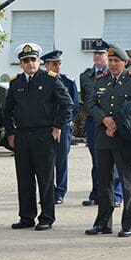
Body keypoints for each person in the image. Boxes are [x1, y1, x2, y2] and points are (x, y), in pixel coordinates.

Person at [2, 43, 74, 231]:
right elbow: (6, 111)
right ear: (20, 64)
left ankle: (47, 217)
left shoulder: (50, 79)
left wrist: (58, 126)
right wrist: (10, 132)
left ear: (39, 61)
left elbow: (68, 105)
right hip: (23, 135)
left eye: (33, 59)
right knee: (24, 178)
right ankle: (26, 216)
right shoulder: (15, 82)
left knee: (45, 178)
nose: (30, 63)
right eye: (26, 60)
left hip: (44, 134)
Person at [84, 45, 131, 238]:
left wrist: (117, 122)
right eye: (110, 61)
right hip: (103, 136)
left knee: (128, 182)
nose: (112, 64)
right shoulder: (100, 80)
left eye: (116, 61)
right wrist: (105, 120)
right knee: (104, 182)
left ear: (125, 62)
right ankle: (103, 223)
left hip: (125, 137)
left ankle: (129, 224)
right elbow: (91, 103)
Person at [79, 42, 122, 207]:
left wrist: (109, 120)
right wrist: (100, 118)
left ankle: (116, 195)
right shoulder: (86, 76)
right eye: (95, 54)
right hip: (95, 122)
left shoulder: (117, 74)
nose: (97, 56)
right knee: (97, 159)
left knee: (115, 159)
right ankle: (96, 193)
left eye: (101, 54)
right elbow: (88, 101)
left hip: (113, 122)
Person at [40, 50, 78, 205]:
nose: (58, 67)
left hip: (62, 127)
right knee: (44, 161)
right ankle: (48, 191)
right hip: (44, 127)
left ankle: (60, 191)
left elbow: (73, 106)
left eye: (59, 64)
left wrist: (63, 124)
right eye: (54, 64)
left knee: (61, 160)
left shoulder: (68, 81)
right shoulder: (40, 81)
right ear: (46, 65)